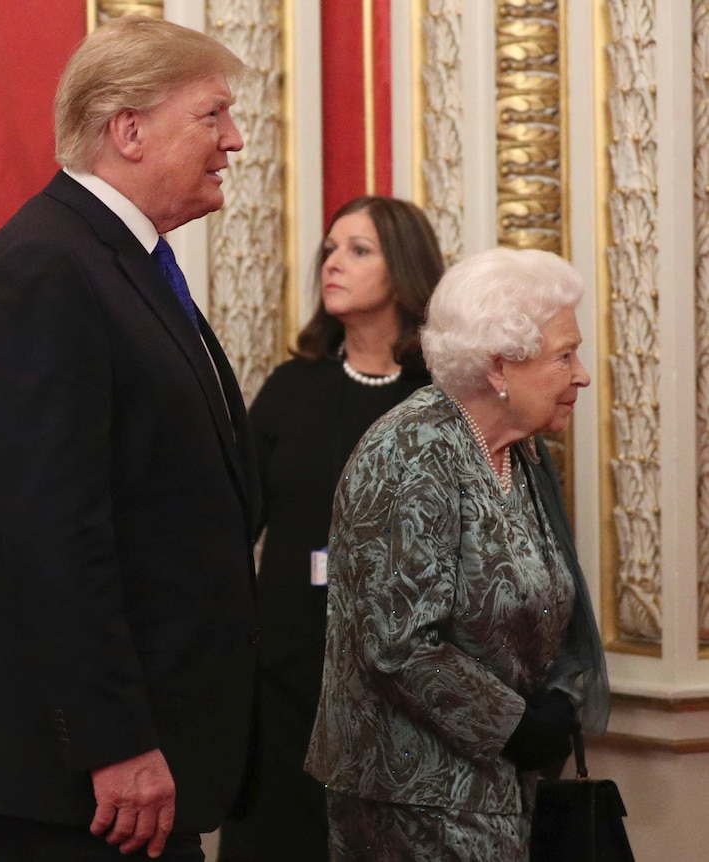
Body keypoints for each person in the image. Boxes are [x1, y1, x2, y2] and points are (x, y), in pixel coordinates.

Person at [0, 14, 260, 862]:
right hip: (87, 764)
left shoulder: (114, 260)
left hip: (138, 740)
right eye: (211, 116)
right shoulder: (49, 269)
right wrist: (114, 741)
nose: (234, 141)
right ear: (128, 129)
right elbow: (52, 533)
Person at [305, 247, 610, 861]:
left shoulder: (520, 455)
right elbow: (397, 643)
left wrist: (557, 701)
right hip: (414, 801)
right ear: (500, 367)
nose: (581, 374)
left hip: (498, 789)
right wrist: (518, 724)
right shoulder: (410, 453)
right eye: (564, 355)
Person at [218, 196, 445, 862]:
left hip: (406, 693)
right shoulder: (291, 387)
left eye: (359, 250)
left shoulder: (440, 398)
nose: (333, 263)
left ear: (405, 271)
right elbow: (231, 526)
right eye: (330, 248)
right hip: (287, 679)